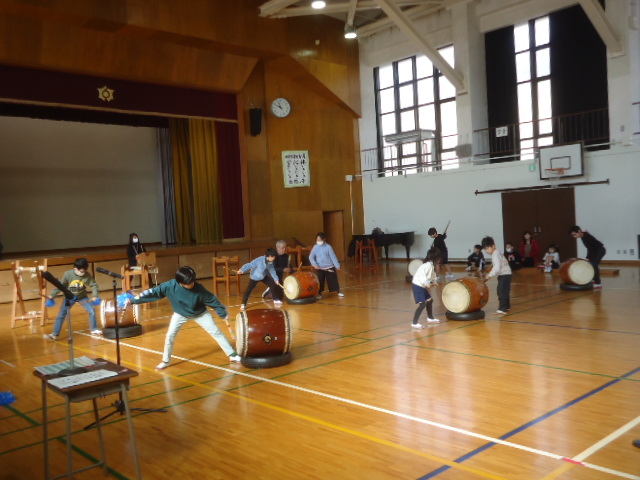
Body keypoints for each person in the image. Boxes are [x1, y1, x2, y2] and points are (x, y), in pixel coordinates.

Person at [129, 266, 241, 369]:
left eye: (193, 281)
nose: (192, 284)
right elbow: (153, 293)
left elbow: (212, 300)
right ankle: (166, 361)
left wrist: (222, 312)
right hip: (180, 314)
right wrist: (133, 301)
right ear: (180, 283)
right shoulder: (169, 286)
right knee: (170, 335)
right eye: (189, 283)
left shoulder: (199, 288)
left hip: (200, 313)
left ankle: (232, 355)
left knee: (216, 332)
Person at [43, 257, 102, 340]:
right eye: (82, 271)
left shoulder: (87, 275)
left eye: (85, 270)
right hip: (69, 297)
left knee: (92, 311)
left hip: (82, 296)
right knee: (61, 314)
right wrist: (52, 295)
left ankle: (94, 329)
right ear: (75, 268)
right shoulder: (68, 274)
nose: (83, 273)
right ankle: (55, 334)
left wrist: (95, 295)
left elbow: (94, 285)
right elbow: (60, 286)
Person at [411, 248, 442, 328]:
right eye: (439, 258)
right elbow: (422, 275)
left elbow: (432, 275)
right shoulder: (427, 265)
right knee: (422, 304)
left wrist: (434, 282)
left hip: (422, 285)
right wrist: (426, 283)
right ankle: (414, 323)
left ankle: (430, 318)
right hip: (418, 285)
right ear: (436, 258)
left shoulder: (431, 265)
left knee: (430, 300)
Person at [481, 236, 512, 315]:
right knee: (505, 291)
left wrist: (490, 275)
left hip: (504, 274)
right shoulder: (497, 251)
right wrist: (491, 269)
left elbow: (497, 267)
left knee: (501, 291)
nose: (487, 251)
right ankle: (507, 306)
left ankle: (503, 308)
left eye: (487, 248)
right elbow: (497, 264)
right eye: (485, 249)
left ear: (493, 246)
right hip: (507, 274)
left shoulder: (495, 254)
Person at [309, 232, 344, 298]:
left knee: (333, 280)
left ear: (324, 239)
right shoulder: (315, 247)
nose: (318, 241)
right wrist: (315, 265)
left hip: (329, 267)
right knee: (320, 281)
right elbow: (311, 257)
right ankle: (320, 293)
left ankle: (338, 291)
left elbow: (333, 257)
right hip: (320, 268)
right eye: (317, 240)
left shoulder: (328, 247)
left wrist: (337, 265)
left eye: (320, 240)